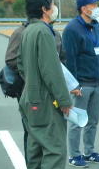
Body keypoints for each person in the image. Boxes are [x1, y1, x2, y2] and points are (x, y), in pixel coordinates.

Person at [17, 0, 73, 169]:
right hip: (45, 101)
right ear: (44, 8)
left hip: (29, 98)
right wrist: (64, 100)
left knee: (35, 148)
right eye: (51, 3)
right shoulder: (43, 31)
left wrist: (32, 83)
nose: (54, 8)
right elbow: (52, 71)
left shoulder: (27, 30)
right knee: (55, 149)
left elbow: (20, 64)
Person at [63, 0, 99, 168]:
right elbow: (69, 59)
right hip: (82, 83)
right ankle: (74, 155)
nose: (96, 8)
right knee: (77, 121)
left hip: (96, 80)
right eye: (93, 5)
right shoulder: (72, 29)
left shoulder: (95, 26)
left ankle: (89, 151)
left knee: (93, 120)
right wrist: (73, 85)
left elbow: (97, 50)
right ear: (84, 8)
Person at [6, 17, 67, 160]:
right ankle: (33, 166)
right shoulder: (21, 32)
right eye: (51, 5)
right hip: (30, 89)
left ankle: (46, 166)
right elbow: (11, 59)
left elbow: (63, 58)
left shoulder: (55, 34)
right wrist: (33, 69)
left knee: (51, 130)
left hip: (52, 90)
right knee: (32, 131)